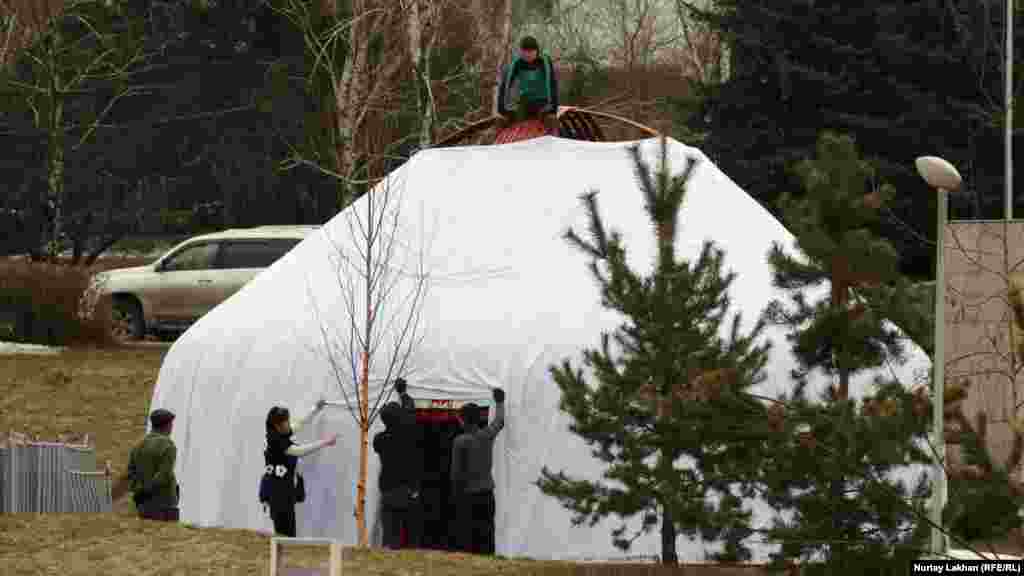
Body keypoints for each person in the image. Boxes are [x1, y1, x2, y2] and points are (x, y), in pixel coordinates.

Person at [262, 401, 337, 537]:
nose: (288, 424)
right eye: (285, 422)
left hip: (285, 491)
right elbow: (300, 451)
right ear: (277, 425)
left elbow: (300, 424)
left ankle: (284, 552)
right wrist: (325, 442)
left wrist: (315, 409)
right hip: (278, 493)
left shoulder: (279, 433)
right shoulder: (276, 441)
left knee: (288, 532)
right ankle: (281, 555)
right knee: (285, 533)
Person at [450, 387, 506, 555]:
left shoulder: (460, 441)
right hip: (487, 493)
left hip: (468, 495)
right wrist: (500, 402)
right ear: (479, 419)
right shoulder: (486, 435)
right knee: (487, 533)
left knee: (468, 536)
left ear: (462, 421)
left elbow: (456, 474)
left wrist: (455, 496)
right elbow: (499, 421)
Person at [373, 388, 424, 549]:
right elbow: (410, 412)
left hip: (388, 490)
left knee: (389, 534)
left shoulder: (380, 440)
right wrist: (403, 393)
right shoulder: (408, 435)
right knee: (411, 533)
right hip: (406, 491)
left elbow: (401, 417)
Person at [127, 408, 181, 521]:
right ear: (167, 425)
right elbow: (164, 474)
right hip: (164, 504)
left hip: (142, 504)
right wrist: (147, 491)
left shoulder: (138, 445)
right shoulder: (168, 445)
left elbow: (130, 473)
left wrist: (138, 491)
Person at [497, 36, 559, 133]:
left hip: (542, 102)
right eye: (524, 53)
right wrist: (502, 109)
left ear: (536, 51)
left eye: (530, 52)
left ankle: (551, 139)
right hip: (525, 101)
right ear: (520, 52)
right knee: (513, 118)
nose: (527, 56)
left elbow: (551, 84)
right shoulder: (517, 62)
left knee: (549, 120)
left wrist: (552, 109)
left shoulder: (544, 61)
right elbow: (505, 85)